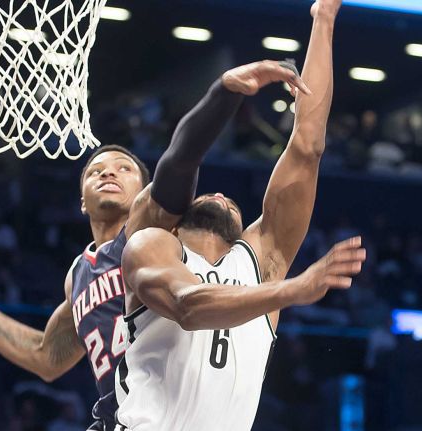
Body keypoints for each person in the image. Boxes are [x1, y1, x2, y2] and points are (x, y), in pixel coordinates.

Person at [0, 61, 309, 431]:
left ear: (145, 191)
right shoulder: (79, 273)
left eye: (124, 169)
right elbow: (46, 356)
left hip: (174, 405)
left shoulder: (150, 234)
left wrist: (222, 94)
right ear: (82, 200)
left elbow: (181, 161)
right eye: (95, 170)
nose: (108, 172)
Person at [115, 1, 361, 429]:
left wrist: (324, 19)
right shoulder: (152, 244)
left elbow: (308, 146)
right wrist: (291, 291)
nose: (220, 194)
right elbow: (186, 305)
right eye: (209, 192)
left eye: (229, 198)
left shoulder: (261, 264)